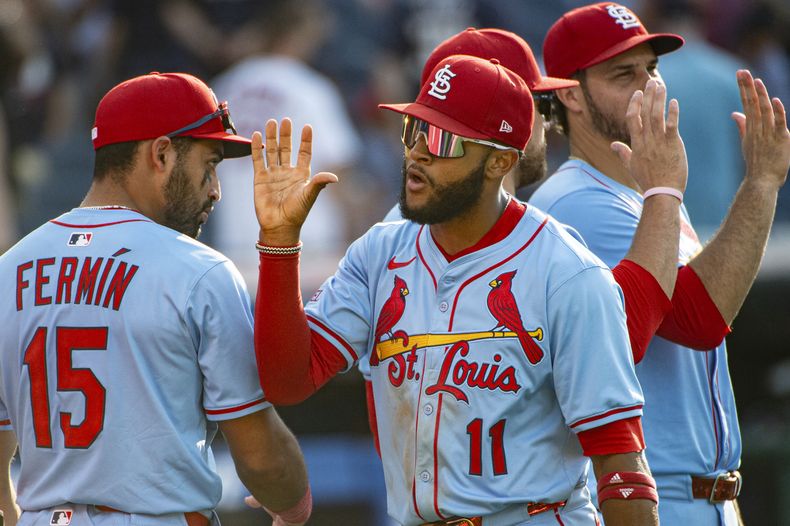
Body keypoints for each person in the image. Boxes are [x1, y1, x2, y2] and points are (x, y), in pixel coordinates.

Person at [251, 53, 679, 525]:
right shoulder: (379, 253)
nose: (418, 153)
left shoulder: (568, 273)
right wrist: (278, 245)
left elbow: (621, 467)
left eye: (442, 139)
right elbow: (288, 380)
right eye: (414, 131)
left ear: (498, 161)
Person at [0, 72, 311, 526]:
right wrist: (294, 505)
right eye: (209, 165)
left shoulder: (8, 270)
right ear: (162, 154)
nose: (216, 190)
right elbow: (262, 459)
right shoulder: (199, 271)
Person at [368, 26, 688, 460]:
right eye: (536, 103)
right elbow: (622, 336)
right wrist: (664, 193)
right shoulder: (422, 231)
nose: (543, 121)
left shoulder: (439, 217)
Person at [530, 3, 790, 524]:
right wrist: (760, 183)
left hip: (702, 496)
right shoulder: (574, 201)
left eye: (651, 69)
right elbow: (701, 318)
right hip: (648, 497)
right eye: (622, 74)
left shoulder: (645, 192)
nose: (646, 86)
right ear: (569, 95)